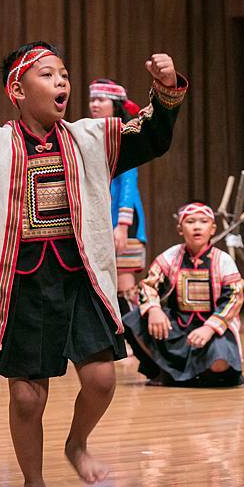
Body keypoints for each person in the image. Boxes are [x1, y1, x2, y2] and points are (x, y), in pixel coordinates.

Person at [0, 41, 187, 487]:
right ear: (17, 89)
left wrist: (164, 90)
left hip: (78, 277)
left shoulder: (92, 137)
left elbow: (153, 136)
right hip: (20, 283)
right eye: (48, 75)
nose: (62, 82)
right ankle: (33, 484)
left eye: (64, 74)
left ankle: (77, 442)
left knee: (102, 379)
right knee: (25, 394)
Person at [123, 201, 244, 387]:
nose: (197, 226)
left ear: (212, 229)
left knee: (220, 363)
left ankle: (186, 375)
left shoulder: (223, 260)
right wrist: (154, 309)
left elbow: (234, 298)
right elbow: (148, 286)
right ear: (180, 229)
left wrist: (209, 328)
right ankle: (163, 372)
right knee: (132, 321)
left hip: (211, 327)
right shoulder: (170, 257)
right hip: (178, 326)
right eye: (190, 221)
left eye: (203, 221)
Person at [89, 78, 146, 314]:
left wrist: (122, 225)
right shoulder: (90, 135)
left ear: (115, 105)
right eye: (92, 99)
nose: (94, 104)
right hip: (98, 218)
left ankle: (135, 342)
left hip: (122, 218)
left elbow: (128, 181)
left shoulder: (123, 135)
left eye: (100, 100)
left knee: (124, 285)